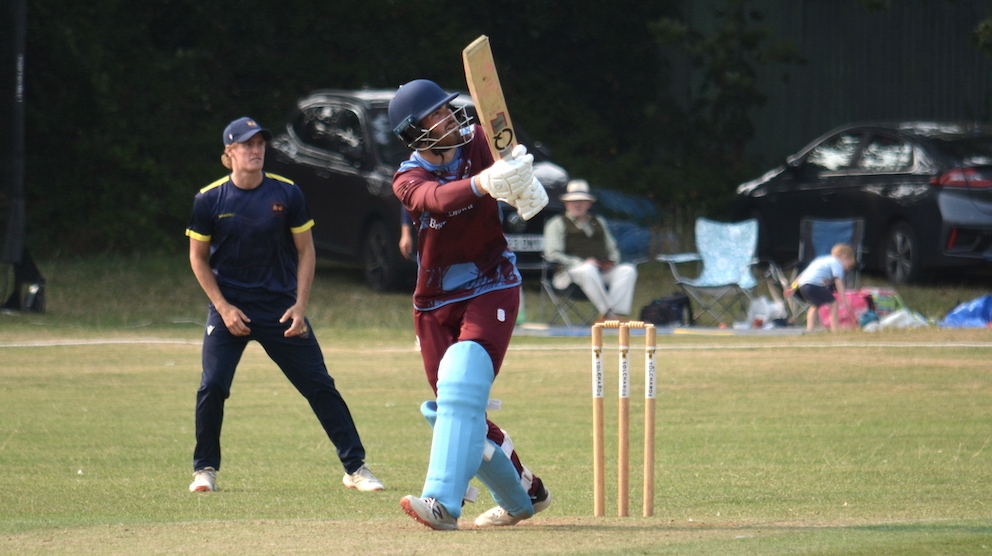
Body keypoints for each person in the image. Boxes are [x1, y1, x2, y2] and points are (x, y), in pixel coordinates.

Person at [184, 116, 384, 493]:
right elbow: (198, 259)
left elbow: (306, 251)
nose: (255, 150)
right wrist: (224, 308)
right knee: (212, 386)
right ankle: (204, 470)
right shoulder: (209, 199)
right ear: (230, 153)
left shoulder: (287, 193)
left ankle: (356, 468)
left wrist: (299, 306)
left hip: (281, 310)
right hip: (230, 311)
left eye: (259, 144)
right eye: (246, 145)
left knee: (320, 385)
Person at [387, 79, 551, 531]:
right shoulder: (408, 177)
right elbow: (434, 200)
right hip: (434, 304)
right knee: (457, 413)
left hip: (492, 282)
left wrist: (523, 183)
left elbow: (509, 158)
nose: (449, 119)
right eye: (435, 116)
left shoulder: (478, 140)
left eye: (447, 109)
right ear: (413, 133)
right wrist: (482, 182)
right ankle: (526, 494)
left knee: (460, 382)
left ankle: (440, 504)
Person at [543, 179, 638, 321]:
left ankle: (615, 314)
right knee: (587, 269)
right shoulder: (557, 224)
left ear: (589, 203)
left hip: (598, 272)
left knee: (627, 270)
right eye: (574, 201)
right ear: (566, 203)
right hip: (568, 274)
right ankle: (609, 315)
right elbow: (552, 254)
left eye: (582, 200)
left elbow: (612, 249)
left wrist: (611, 262)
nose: (578, 204)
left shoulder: (599, 222)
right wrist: (581, 262)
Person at [787, 243, 857, 332]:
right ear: (844, 256)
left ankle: (810, 329)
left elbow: (802, 275)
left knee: (815, 305)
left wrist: (793, 287)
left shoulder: (821, 260)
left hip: (804, 285)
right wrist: (844, 299)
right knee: (834, 303)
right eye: (848, 265)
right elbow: (838, 281)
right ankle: (835, 328)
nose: (847, 268)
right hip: (814, 284)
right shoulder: (837, 263)